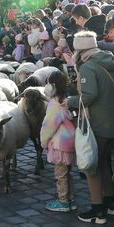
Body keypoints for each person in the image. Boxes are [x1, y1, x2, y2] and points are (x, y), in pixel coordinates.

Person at [67, 31, 114, 225]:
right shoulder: (108, 60)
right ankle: (110, 202)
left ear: (79, 50)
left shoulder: (88, 66)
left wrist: (70, 101)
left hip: (98, 123)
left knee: (92, 166)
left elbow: (89, 95)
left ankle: (98, 210)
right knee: (104, 162)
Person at [41, 69, 77, 212]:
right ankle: (70, 199)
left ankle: (63, 202)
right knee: (67, 173)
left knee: (60, 174)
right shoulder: (67, 100)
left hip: (59, 144)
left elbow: (49, 125)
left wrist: (44, 141)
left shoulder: (55, 104)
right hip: (70, 141)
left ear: (53, 86)